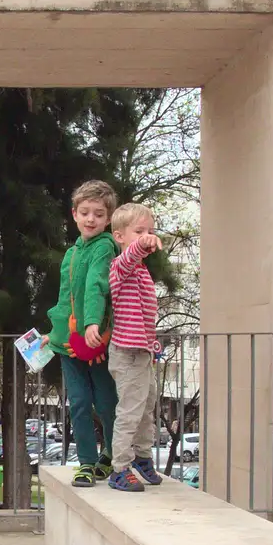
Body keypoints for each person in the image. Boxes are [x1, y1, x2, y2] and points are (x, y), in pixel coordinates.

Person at [46, 179, 119, 487]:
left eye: (99, 214)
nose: (91, 219)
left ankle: (115, 455)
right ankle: (87, 461)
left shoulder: (104, 248)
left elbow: (97, 286)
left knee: (105, 401)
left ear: (108, 218)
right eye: (86, 212)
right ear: (74, 214)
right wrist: (55, 331)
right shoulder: (71, 252)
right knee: (77, 402)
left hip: (96, 339)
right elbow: (66, 297)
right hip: (68, 342)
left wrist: (93, 324)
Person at [104, 202, 163, 492]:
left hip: (143, 353)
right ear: (120, 237)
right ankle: (119, 468)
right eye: (139, 231)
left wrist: (152, 342)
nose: (146, 235)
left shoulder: (142, 273)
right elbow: (130, 257)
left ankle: (142, 456)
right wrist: (143, 243)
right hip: (126, 356)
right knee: (130, 410)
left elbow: (142, 316)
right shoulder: (121, 267)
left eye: (150, 231)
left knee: (147, 407)